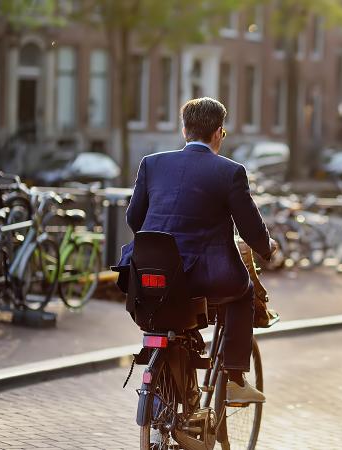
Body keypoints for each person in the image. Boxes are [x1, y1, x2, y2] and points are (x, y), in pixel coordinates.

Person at [119, 97, 274, 405]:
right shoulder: (230, 172)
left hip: (150, 271)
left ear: (184, 130)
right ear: (218, 133)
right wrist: (268, 249)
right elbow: (250, 229)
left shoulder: (152, 163)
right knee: (242, 292)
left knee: (170, 303)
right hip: (204, 277)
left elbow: (134, 219)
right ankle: (234, 377)